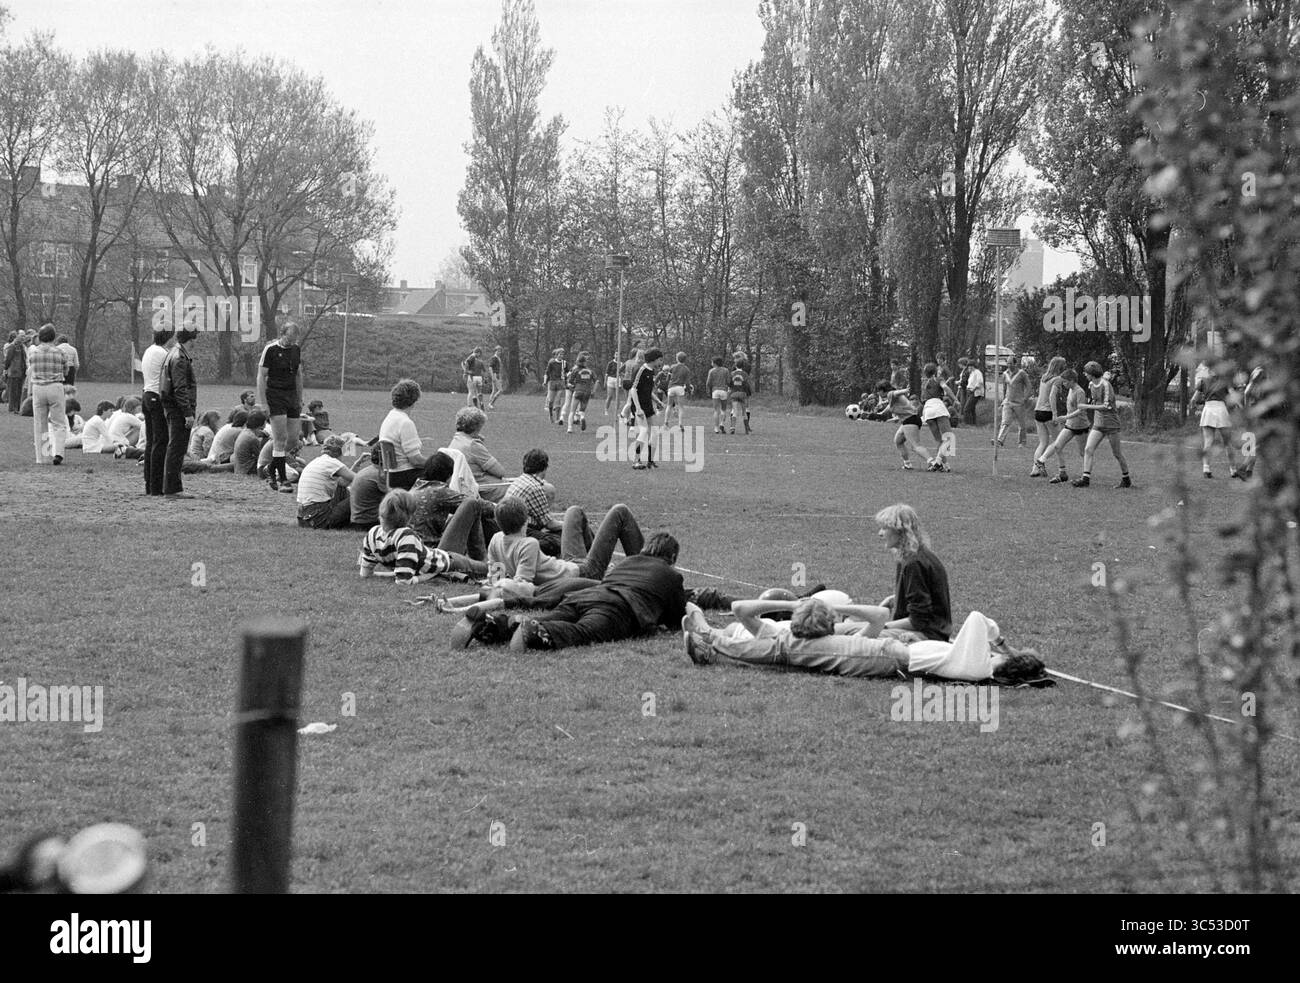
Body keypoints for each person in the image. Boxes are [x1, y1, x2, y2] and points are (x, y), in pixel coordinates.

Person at [509, 532, 688, 651]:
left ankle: (500, 624)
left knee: (551, 616)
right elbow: (677, 618)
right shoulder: (671, 575)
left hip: (585, 596)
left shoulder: (627, 561)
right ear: (672, 557)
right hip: (616, 607)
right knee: (583, 631)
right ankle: (532, 631)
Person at [358, 490, 488, 583]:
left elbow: (365, 574)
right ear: (408, 517)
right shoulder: (405, 536)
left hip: (436, 556)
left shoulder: (372, 534)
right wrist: (432, 575)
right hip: (449, 562)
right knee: (492, 570)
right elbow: (404, 581)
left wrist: (389, 574)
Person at [874, 503, 952, 643]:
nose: (880, 533)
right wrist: (896, 598)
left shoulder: (914, 563)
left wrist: (881, 626)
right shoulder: (912, 557)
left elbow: (918, 620)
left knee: (859, 636)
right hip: (926, 630)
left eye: (885, 528)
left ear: (900, 531)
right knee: (852, 628)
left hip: (926, 635)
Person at [409, 451, 498, 557]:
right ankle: (481, 560)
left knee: (456, 517)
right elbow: (479, 506)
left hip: (413, 549)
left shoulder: (415, 488)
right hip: (431, 552)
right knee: (473, 506)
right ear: (448, 475)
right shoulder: (439, 491)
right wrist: (499, 508)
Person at [257, 320, 305, 491]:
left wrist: (300, 398)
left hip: (291, 396)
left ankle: (270, 469)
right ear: (282, 334)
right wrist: (263, 402)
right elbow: (261, 377)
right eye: (289, 338)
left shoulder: (296, 350)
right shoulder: (270, 350)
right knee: (280, 439)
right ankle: (283, 479)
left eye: (294, 339)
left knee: (292, 440)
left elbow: (299, 375)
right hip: (275, 396)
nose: (291, 342)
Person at [1072, 361, 1133, 488]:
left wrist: (1086, 406)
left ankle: (1126, 479)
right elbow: (1093, 400)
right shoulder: (1091, 384)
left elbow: (1106, 406)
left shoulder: (1106, 385)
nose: (1084, 374)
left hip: (1111, 424)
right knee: (1088, 449)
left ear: (1092, 374)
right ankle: (1085, 479)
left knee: (1117, 453)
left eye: (1086, 372)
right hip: (1098, 423)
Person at [159, 326, 198, 499]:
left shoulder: (172, 353)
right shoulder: (180, 358)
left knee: (174, 447)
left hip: (172, 406)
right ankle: (172, 489)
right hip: (178, 409)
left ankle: (171, 487)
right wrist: (187, 413)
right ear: (190, 340)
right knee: (177, 448)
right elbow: (180, 388)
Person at [504, 448, 565, 556]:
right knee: (558, 540)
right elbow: (550, 524)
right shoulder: (535, 488)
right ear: (545, 467)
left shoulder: (520, 480)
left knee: (556, 535)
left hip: (510, 528)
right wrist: (569, 524)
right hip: (522, 530)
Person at [1034, 368, 1089, 483]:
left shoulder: (1080, 392)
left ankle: (1085, 477)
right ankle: (1062, 473)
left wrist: (1065, 417)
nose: (1063, 384)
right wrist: (1065, 418)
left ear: (1072, 380)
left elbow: (1080, 410)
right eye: (1062, 382)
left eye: (1065, 382)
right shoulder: (1070, 390)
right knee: (1057, 446)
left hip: (1081, 426)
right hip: (1070, 425)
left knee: (1083, 452)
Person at [448, 406, 510, 501]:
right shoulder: (473, 445)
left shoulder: (455, 441)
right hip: (483, 489)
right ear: (477, 427)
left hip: (466, 486)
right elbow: (500, 472)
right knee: (519, 491)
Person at [1190, 366, 1242, 479]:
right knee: (1228, 442)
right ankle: (1233, 470)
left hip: (1208, 408)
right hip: (1221, 409)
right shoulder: (1224, 381)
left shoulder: (1203, 380)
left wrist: (1195, 407)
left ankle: (1206, 469)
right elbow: (1233, 394)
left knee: (1208, 441)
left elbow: (1194, 399)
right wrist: (1240, 406)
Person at [26, 325, 68, 464]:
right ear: (53, 337)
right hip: (55, 386)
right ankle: (58, 453)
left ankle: (42, 457)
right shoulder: (60, 352)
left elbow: (30, 368)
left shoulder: (33, 352)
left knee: (40, 424)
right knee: (59, 423)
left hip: (38, 387)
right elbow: (66, 371)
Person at [296, 436, 357, 529]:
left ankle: (351, 520)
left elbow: (343, 483)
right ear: (339, 452)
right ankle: (363, 522)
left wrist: (358, 464)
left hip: (304, 517)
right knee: (360, 495)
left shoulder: (318, 460)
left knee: (341, 489)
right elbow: (360, 479)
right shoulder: (332, 462)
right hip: (318, 516)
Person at [378, 378, 429, 490]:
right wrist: (434, 463)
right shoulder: (405, 423)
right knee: (444, 473)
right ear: (414, 400)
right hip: (405, 475)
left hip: (392, 475)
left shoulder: (389, 417)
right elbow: (415, 460)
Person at [140, 328, 173, 496]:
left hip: (146, 395)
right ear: (169, 338)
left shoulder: (149, 350)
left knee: (151, 442)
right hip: (156, 396)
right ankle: (156, 486)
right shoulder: (163, 353)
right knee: (160, 441)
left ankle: (149, 483)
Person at [1028, 357, 1068, 477]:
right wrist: (1055, 414)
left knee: (1043, 442)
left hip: (1038, 411)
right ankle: (1044, 462)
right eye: (1064, 366)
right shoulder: (1058, 379)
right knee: (1058, 441)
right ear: (1060, 367)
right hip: (1048, 413)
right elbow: (1052, 396)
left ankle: (1035, 468)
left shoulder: (1044, 377)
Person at [630, 347, 664, 469]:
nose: (661, 363)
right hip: (639, 406)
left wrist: (658, 401)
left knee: (654, 432)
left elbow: (648, 391)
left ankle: (650, 461)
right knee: (644, 431)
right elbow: (633, 389)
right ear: (653, 359)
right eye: (660, 360)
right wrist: (638, 409)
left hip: (648, 405)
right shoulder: (641, 370)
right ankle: (636, 461)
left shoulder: (652, 371)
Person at [886, 388, 935, 471]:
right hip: (909, 419)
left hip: (910, 420)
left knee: (915, 446)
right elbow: (889, 406)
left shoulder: (891, 394)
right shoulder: (893, 400)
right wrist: (880, 413)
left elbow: (896, 393)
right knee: (898, 441)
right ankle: (907, 464)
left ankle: (933, 463)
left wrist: (905, 390)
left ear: (881, 390)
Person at [919, 362, 954, 472]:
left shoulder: (923, 383)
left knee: (940, 440)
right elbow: (946, 388)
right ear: (935, 371)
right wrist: (955, 399)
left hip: (927, 410)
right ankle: (938, 462)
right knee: (948, 438)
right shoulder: (938, 379)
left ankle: (946, 465)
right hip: (938, 407)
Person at [993, 355, 1030, 447]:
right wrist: (1003, 401)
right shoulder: (1005, 374)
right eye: (1007, 363)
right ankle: (999, 440)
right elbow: (1005, 388)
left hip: (1019, 402)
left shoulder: (1022, 374)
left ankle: (1022, 442)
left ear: (1015, 363)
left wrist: (1025, 398)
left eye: (1010, 363)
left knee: (1021, 424)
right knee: (1005, 421)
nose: (1009, 365)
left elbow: (1028, 386)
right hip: (1008, 402)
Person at [349, 445, 388, 530]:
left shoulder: (366, 470)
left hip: (358, 521)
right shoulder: (379, 475)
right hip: (369, 523)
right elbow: (393, 496)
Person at [564, 354, 598, 433]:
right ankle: (582, 417)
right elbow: (597, 381)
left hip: (578, 390)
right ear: (585, 362)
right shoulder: (590, 371)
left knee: (572, 411)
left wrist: (571, 386)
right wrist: (594, 391)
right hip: (587, 392)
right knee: (582, 409)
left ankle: (569, 428)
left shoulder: (575, 370)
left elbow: (569, 383)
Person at [664, 352, 690, 430]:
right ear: (685, 359)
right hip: (680, 388)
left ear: (677, 358)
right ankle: (680, 424)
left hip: (671, 387)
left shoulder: (672, 367)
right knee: (681, 407)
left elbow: (667, 379)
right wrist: (688, 389)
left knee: (669, 405)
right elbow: (687, 382)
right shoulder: (686, 369)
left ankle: (666, 422)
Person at [727, 356, 752, 435]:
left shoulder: (732, 373)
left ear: (735, 365)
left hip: (734, 394)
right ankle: (746, 429)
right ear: (743, 366)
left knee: (734, 411)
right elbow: (747, 385)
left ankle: (732, 427)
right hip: (742, 394)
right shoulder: (745, 374)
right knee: (744, 412)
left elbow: (729, 384)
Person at [543, 348, 566, 423]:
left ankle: (557, 418)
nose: (561, 356)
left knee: (558, 400)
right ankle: (551, 415)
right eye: (560, 354)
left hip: (561, 382)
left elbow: (568, 372)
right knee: (551, 401)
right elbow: (547, 372)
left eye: (562, 354)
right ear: (556, 355)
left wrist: (568, 377)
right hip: (552, 382)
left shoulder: (565, 363)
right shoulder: (552, 362)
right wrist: (545, 381)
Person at [962, 359, 985, 426]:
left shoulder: (977, 372)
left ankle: (967, 423)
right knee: (972, 409)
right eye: (968, 366)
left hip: (975, 392)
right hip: (970, 391)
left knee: (966, 409)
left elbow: (980, 382)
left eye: (970, 366)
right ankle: (973, 423)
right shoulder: (972, 373)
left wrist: (974, 389)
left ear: (973, 366)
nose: (969, 368)